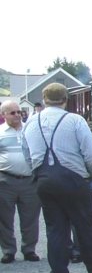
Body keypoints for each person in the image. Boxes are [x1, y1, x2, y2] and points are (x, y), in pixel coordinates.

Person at [24, 83, 92, 273]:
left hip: (44, 180)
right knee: (86, 228)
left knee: (55, 230)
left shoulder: (30, 123)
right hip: (74, 180)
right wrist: (90, 174)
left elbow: (26, 154)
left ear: (44, 99)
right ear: (65, 99)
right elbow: (91, 154)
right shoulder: (75, 121)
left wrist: (38, 174)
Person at [0, 101, 41, 263]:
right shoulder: (1, 132)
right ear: (3, 115)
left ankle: (29, 249)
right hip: (6, 180)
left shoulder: (30, 130)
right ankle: (8, 250)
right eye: (13, 113)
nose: (17, 115)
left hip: (29, 181)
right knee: (4, 219)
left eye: (19, 112)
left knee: (30, 218)